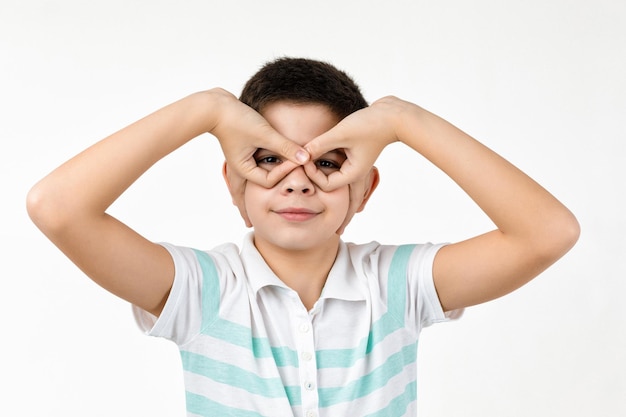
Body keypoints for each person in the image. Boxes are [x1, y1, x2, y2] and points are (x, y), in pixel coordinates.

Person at [27, 57, 579, 416]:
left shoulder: (398, 285)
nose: (297, 182)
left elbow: (548, 233)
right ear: (233, 184)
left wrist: (401, 121)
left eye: (327, 162)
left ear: (364, 190)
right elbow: (56, 208)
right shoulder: (200, 290)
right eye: (268, 160)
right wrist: (207, 110)